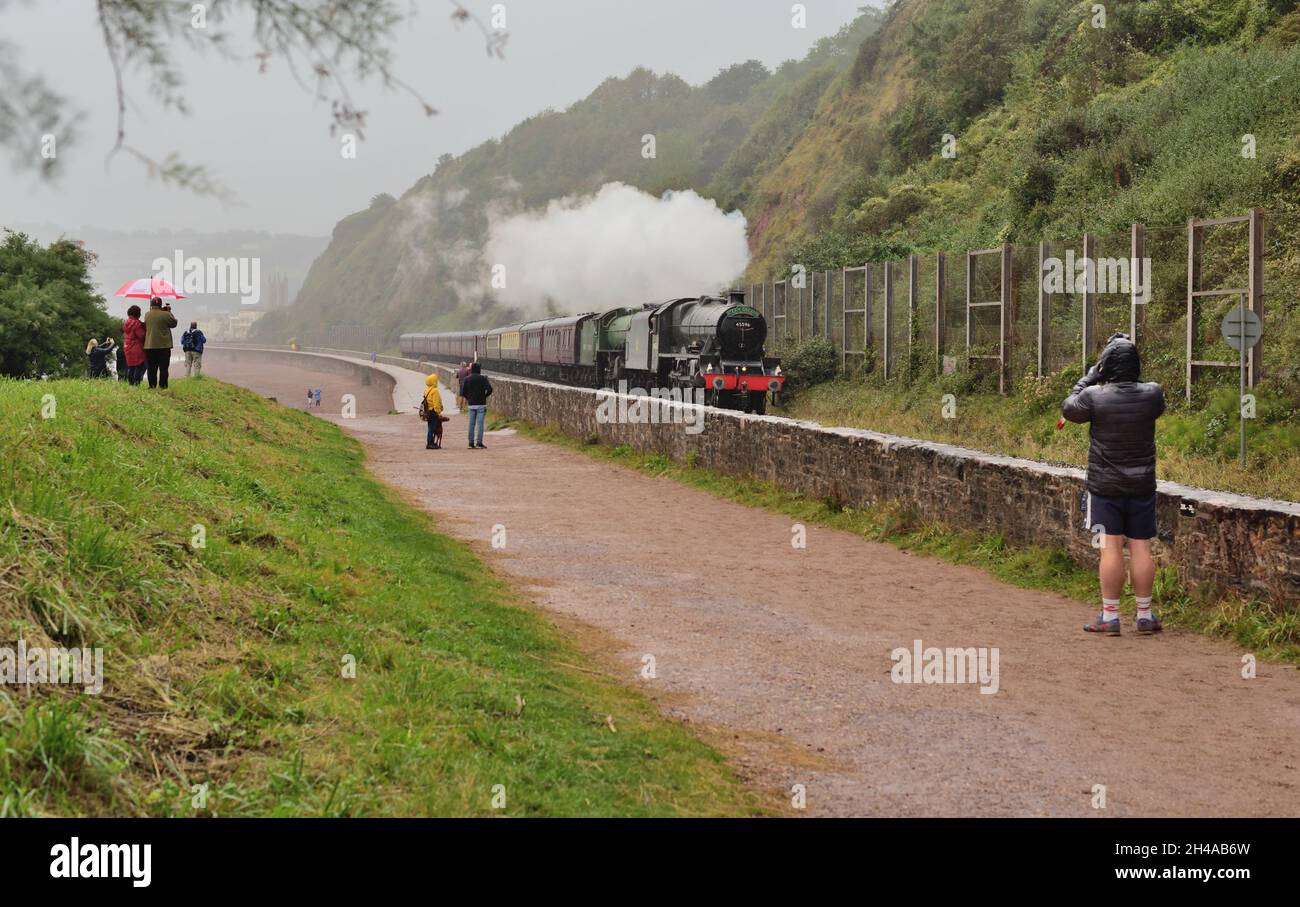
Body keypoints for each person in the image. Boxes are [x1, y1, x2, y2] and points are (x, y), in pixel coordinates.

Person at [1062, 333, 1166, 636]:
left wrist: (1089, 377)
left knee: (1110, 549)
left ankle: (1110, 616)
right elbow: (1149, 402)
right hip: (1142, 485)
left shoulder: (1094, 396)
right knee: (1141, 548)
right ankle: (1145, 615)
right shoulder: (1153, 393)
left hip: (1105, 487)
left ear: (1105, 367)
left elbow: (1068, 409)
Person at [142, 296, 178, 389]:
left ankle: (152, 386)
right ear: (160, 304)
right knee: (163, 368)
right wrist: (169, 312)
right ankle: (163, 386)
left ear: (151, 304)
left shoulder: (147, 314)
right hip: (164, 346)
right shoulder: (166, 314)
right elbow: (174, 324)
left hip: (150, 345)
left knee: (151, 368)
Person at [461, 362, 492, 449]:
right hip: (481, 404)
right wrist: (484, 396)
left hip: (471, 405)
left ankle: (470, 443)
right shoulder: (483, 378)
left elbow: (463, 392)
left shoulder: (467, 379)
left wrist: (468, 398)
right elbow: (490, 389)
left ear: (471, 370)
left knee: (471, 424)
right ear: (479, 369)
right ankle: (479, 443)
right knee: (480, 424)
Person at [122, 305, 147, 386]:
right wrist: (145, 328)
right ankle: (136, 384)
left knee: (130, 366)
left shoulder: (125, 322)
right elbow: (141, 335)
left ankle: (130, 384)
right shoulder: (137, 323)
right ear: (137, 313)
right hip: (136, 347)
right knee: (138, 366)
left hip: (127, 346)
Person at [423, 373, 446, 449]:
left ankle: (431, 442)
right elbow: (436, 402)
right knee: (432, 428)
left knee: (430, 427)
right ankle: (430, 443)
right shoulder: (435, 391)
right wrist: (438, 412)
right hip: (433, 412)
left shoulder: (427, 390)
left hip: (428, 412)